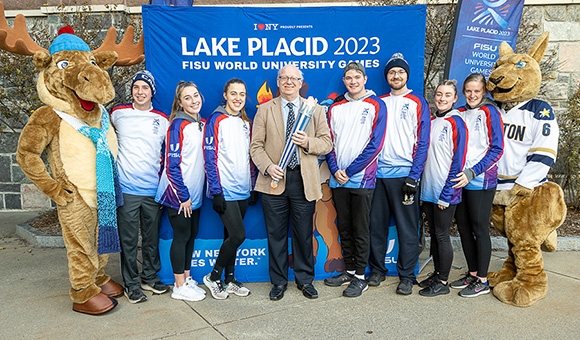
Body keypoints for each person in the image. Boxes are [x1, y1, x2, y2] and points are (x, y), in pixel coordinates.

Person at [250, 64, 332, 301]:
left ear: (301, 82)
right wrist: (268, 167)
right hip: (274, 179)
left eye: (293, 78)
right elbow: (255, 146)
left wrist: (308, 141)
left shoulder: (313, 110)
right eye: (284, 78)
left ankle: (305, 280)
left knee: (303, 234)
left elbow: (326, 143)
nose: (289, 82)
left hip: (303, 180)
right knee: (275, 235)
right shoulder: (265, 110)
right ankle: (278, 282)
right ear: (278, 82)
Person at [367, 53, 430, 295]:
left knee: (407, 228)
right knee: (376, 226)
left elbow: (423, 141)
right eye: (392, 72)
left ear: (406, 75)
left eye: (400, 72)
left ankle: (407, 275)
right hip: (378, 175)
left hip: (405, 175)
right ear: (387, 77)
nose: (396, 75)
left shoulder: (417, 101)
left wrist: (414, 176)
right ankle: (377, 270)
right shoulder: (378, 102)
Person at [324, 62, 387, 298]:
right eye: (349, 77)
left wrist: (349, 171)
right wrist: (335, 168)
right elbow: (329, 141)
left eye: (357, 77)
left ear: (365, 79)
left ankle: (361, 277)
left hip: (362, 179)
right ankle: (349, 271)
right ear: (344, 80)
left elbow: (376, 145)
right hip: (338, 178)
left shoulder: (375, 104)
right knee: (344, 227)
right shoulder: (335, 107)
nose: (353, 81)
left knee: (361, 229)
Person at [110, 70, 170, 303]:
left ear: (151, 92)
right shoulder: (118, 113)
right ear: (131, 91)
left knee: (151, 237)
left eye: (145, 88)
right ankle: (131, 284)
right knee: (128, 239)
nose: (140, 92)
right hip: (126, 189)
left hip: (153, 190)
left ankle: (149, 277)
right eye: (136, 87)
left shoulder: (162, 119)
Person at [203, 78, 257, 300]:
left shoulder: (246, 123)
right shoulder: (216, 120)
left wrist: (252, 186)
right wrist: (216, 191)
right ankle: (213, 277)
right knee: (238, 235)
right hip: (224, 190)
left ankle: (230, 278)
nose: (237, 98)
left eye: (242, 94)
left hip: (243, 188)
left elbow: (249, 157)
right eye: (233, 93)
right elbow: (209, 157)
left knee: (229, 236)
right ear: (225, 95)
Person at [450, 73, 504, 297]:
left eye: (477, 91)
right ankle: (472, 273)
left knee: (479, 229)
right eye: (469, 91)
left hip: (480, 180)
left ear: (484, 92)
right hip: (458, 181)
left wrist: (472, 172)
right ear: (463, 92)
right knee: (463, 228)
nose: (472, 95)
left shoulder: (490, 112)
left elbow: (497, 149)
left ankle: (482, 279)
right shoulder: (460, 113)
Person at [155, 81, 207, 302]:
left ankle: (186, 278)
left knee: (191, 235)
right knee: (181, 236)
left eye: (196, 95)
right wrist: (183, 197)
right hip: (178, 194)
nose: (194, 101)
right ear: (180, 102)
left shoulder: (201, 124)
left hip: (194, 192)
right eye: (188, 98)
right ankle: (178, 286)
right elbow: (172, 165)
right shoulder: (177, 125)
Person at [417, 80, 468, 297]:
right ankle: (437, 274)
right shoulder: (432, 120)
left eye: (448, 95)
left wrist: (447, 193)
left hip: (445, 190)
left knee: (441, 234)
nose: (442, 98)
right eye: (439, 94)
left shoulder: (457, 122)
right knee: (434, 234)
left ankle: (444, 282)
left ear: (455, 98)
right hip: (429, 187)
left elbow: (458, 161)